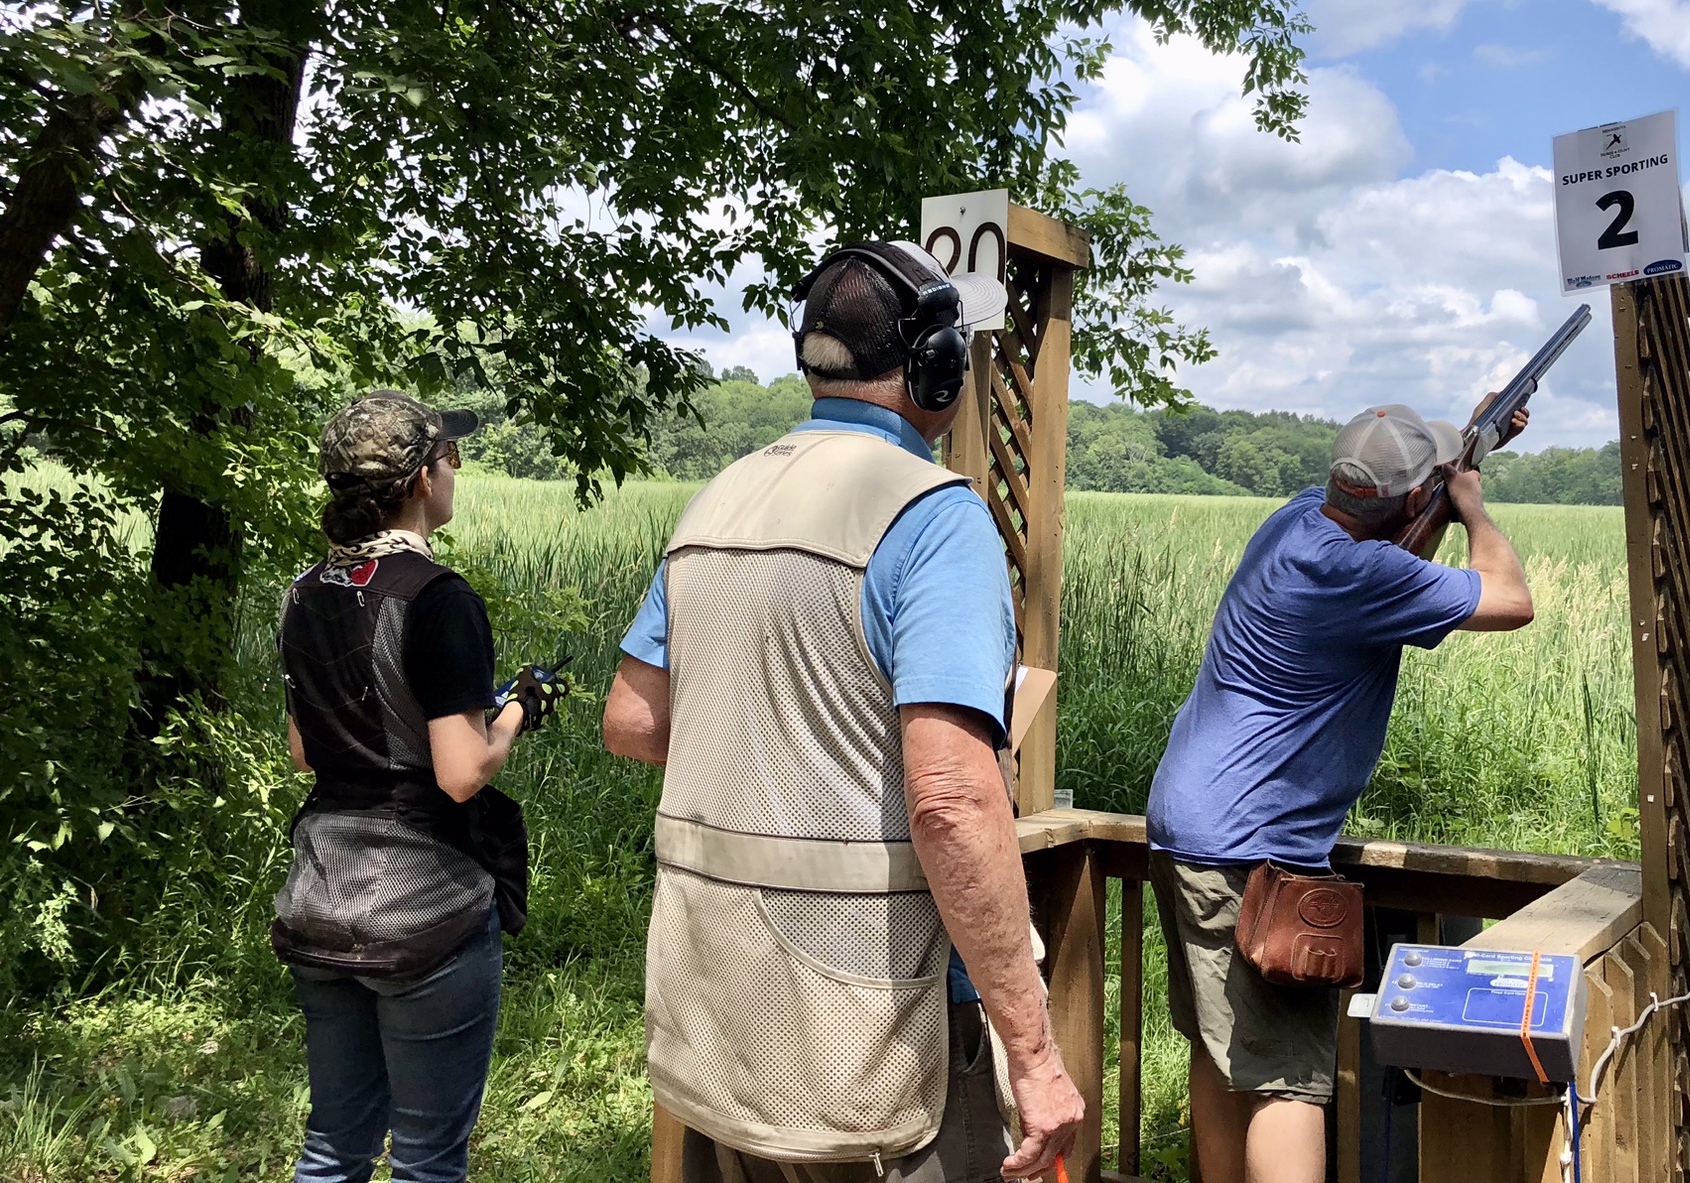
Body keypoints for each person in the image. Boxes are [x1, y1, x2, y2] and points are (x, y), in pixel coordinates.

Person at [603, 240, 1084, 1183]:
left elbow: (633, 721)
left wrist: (783, 745)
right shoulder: (933, 516)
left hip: (718, 996)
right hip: (869, 1020)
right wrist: (1032, 1055)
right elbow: (947, 799)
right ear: (937, 365)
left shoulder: (717, 500)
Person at [1144, 400, 1537, 1183]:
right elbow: (1511, 598)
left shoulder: (1295, 523)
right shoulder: (1359, 572)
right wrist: (1472, 507)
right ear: (1413, 500)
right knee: (1287, 1076)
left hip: (1188, 824)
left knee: (1223, 1052)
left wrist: (1473, 435)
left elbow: (1395, 519)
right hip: (1254, 847)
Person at [273, 391, 567, 1183]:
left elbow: (309, 751)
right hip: (422, 909)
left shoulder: (303, 591)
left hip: (320, 895)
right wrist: (511, 715)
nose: (457, 469)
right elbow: (461, 772)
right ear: (420, 480)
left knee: (334, 1144)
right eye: (448, 456)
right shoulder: (439, 599)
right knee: (429, 1159)